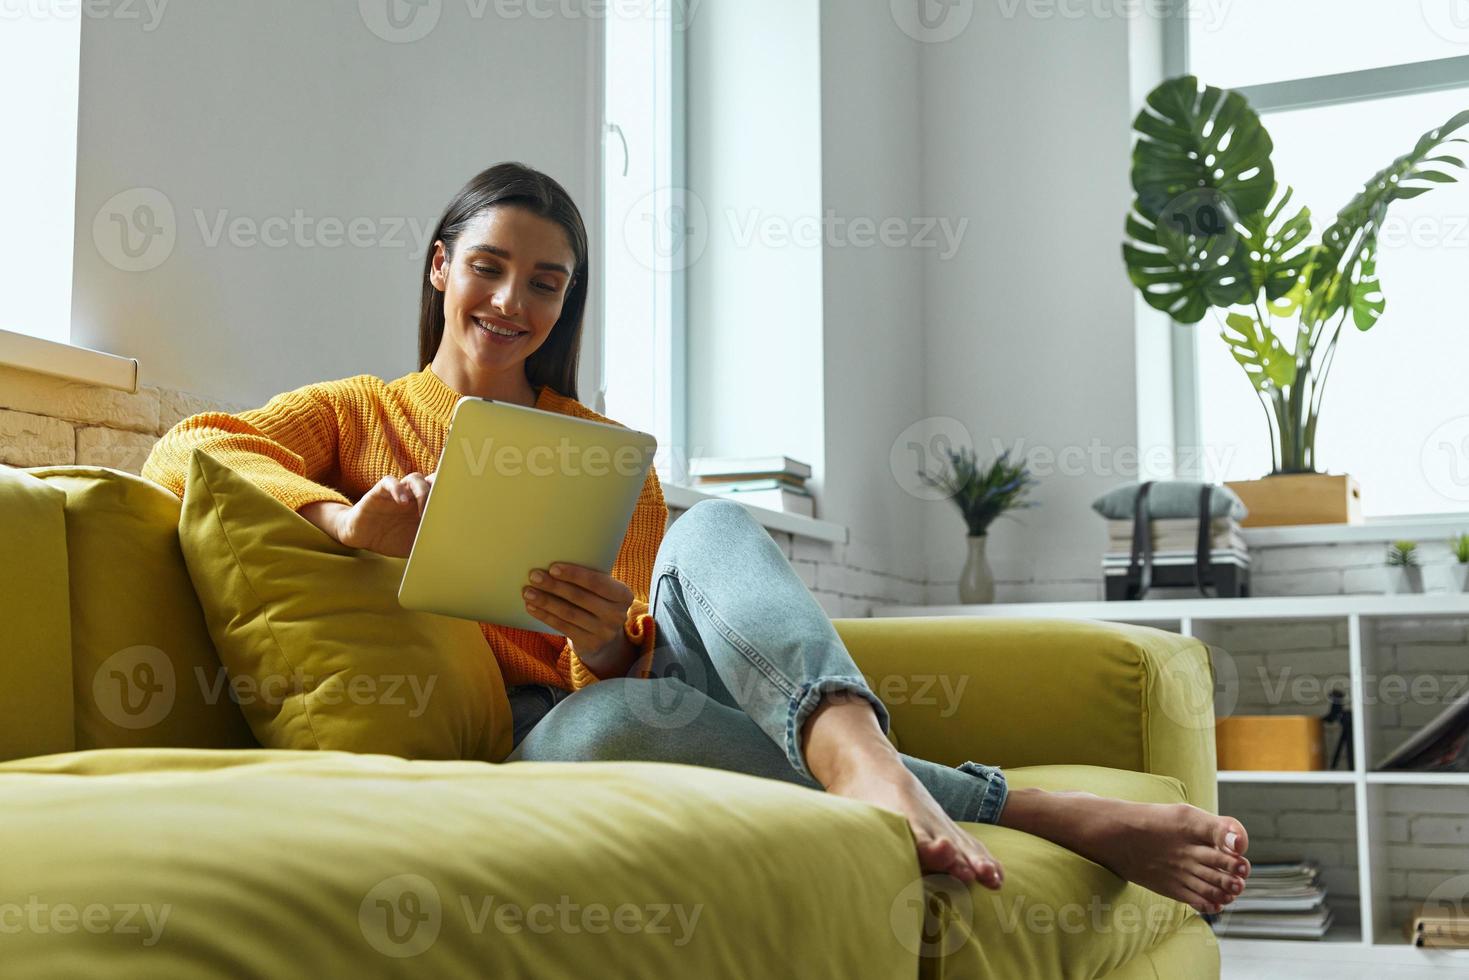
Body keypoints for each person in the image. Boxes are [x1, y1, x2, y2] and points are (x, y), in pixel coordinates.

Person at [143, 162, 1251, 913]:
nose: (510, 300)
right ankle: (1030, 804)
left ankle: (858, 758)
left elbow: (641, 641)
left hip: (647, 682)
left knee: (709, 527)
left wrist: (607, 638)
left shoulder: (601, 449)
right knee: (615, 720)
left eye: (545, 281)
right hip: (550, 736)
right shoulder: (352, 415)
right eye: (487, 266)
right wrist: (343, 517)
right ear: (441, 266)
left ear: (564, 302)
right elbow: (188, 445)